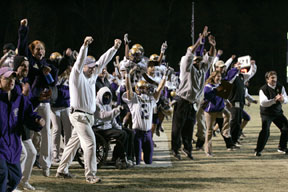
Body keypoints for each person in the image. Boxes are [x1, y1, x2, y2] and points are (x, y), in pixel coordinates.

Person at [56, 36, 121, 184]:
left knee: (73, 143)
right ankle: (90, 175)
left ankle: (62, 170)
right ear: (83, 66)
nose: (93, 68)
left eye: (93, 66)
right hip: (79, 116)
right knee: (90, 143)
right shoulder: (76, 75)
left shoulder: (91, 76)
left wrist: (114, 48)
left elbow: (103, 60)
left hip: (86, 116)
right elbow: (79, 62)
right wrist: (84, 46)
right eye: (89, 66)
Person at [17, 18, 59, 177]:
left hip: (44, 103)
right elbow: (21, 47)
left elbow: (54, 82)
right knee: (28, 133)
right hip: (30, 102)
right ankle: (25, 161)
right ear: (32, 51)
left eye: (42, 49)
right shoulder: (29, 62)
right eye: (37, 49)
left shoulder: (48, 65)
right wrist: (23, 29)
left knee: (46, 134)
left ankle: (46, 165)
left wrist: (48, 76)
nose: (40, 51)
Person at [171, 26, 215, 160]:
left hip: (192, 103)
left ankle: (188, 150)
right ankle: (175, 150)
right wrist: (200, 40)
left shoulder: (202, 70)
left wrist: (212, 45)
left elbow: (211, 57)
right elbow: (189, 53)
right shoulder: (186, 67)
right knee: (177, 128)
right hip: (182, 100)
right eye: (197, 60)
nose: (199, 62)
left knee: (189, 128)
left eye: (200, 60)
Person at [0, 67, 44, 192]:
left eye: (13, 77)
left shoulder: (19, 99)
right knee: (2, 174)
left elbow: (29, 115)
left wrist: (37, 120)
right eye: (7, 78)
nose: (11, 81)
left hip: (13, 146)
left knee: (15, 177)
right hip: (0, 146)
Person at [122, 66, 169, 165]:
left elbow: (160, 89)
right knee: (137, 161)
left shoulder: (151, 100)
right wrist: (127, 75)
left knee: (149, 161)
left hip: (148, 134)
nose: (144, 90)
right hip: (137, 133)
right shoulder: (134, 99)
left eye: (145, 88)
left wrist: (165, 76)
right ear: (137, 89)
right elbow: (128, 88)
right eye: (142, 88)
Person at [255, 71, 288, 156]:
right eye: (272, 78)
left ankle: (282, 147)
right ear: (267, 79)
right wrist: (274, 100)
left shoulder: (280, 87)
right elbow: (263, 103)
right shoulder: (263, 89)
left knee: (286, 128)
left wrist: (283, 99)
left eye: (275, 77)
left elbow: (286, 98)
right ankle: (258, 150)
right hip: (267, 114)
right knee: (265, 131)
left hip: (277, 113)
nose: (274, 80)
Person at [203, 71, 230, 156]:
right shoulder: (208, 86)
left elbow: (223, 95)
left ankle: (225, 132)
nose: (219, 78)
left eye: (220, 76)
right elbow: (207, 94)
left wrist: (227, 101)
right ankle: (208, 151)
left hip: (220, 109)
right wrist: (218, 90)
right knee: (209, 131)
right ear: (213, 77)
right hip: (210, 111)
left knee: (228, 114)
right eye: (217, 76)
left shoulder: (220, 86)